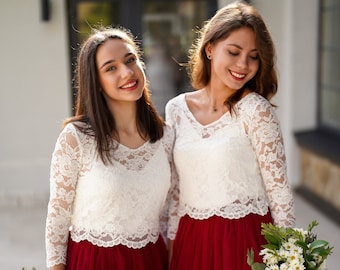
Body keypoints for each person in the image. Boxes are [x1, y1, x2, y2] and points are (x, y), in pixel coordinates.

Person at [165, 1, 296, 269]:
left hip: (244, 241)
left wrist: (288, 256)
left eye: (254, 56)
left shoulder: (256, 111)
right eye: (234, 52)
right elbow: (176, 189)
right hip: (191, 240)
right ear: (210, 48)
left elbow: (280, 194)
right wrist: (171, 242)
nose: (243, 65)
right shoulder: (176, 109)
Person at [45, 26, 175, 270]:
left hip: (151, 260)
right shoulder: (77, 138)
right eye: (111, 68)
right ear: (96, 82)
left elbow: (168, 213)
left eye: (130, 60)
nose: (127, 72)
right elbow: (57, 220)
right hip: (95, 262)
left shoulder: (165, 137)